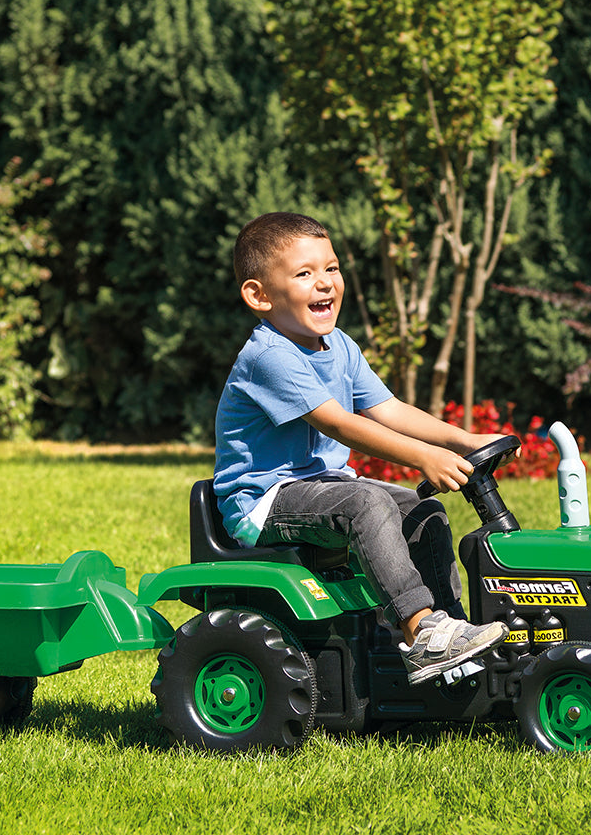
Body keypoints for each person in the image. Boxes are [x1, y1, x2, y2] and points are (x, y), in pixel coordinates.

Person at [214, 211, 513, 684]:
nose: (325, 282)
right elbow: (339, 424)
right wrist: (423, 456)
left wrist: (464, 440)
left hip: (323, 487)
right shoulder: (269, 356)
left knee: (422, 510)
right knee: (366, 502)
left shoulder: (338, 345)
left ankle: (453, 633)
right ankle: (421, 633)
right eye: (304, 273)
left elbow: (387, 409)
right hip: (264, 501)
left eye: (331, 268)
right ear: (260, 296)